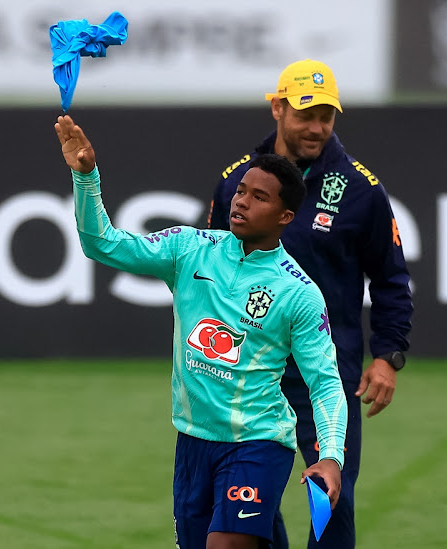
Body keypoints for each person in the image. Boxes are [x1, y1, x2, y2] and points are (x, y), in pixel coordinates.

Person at [55, 113, 348, 549]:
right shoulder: (189, 248)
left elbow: (324, 382)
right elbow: (103, 244)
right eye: (242, 191)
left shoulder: (298, 292)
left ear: (286, 215)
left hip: (258, 442)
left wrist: (330, 457)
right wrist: (85, 176)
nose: (241, 201)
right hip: (193, 443)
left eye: (259, 197)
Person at [208, 59, 413, 548]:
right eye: (306, 114)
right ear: (278, 109)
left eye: (327, 116)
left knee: (331, 496)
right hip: (251, 372)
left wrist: (387, 356)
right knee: (250, 497)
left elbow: (390, 278)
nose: (317, 127)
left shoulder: (362, 190)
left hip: (326, 372)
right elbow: (213, 270)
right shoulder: (238, 181)